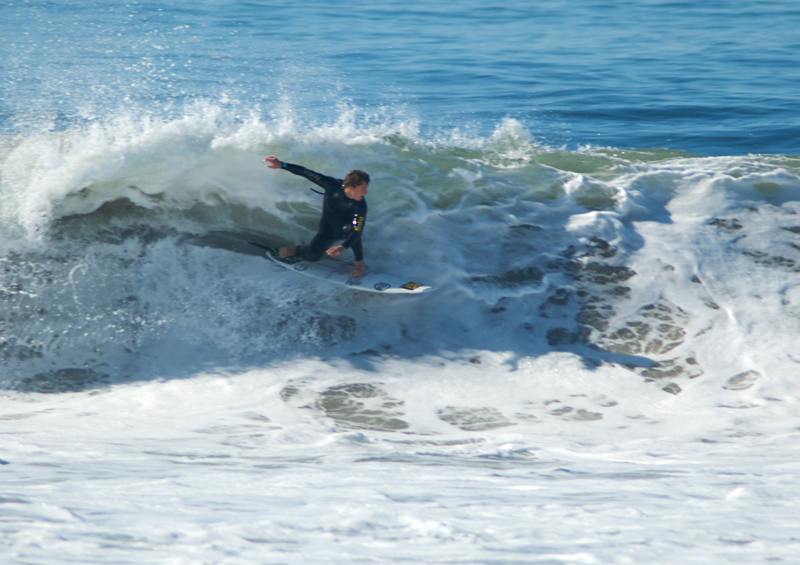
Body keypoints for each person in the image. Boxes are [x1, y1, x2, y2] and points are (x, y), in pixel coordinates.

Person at [264, 156, 369, 278]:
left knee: (352, 229)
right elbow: (306, 172)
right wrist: (282, 165)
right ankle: (296, 249)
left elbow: (358, 230)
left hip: (346, 228)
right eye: (363, 189)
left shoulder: (360, 205)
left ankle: (360, 263)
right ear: (351, 187)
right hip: (328, 227)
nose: (366, 192)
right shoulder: (331, 185)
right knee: (312, 256)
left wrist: (343, 246)